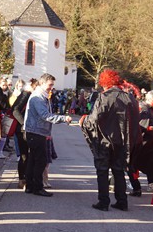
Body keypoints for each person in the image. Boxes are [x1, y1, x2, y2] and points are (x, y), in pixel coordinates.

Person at [80, 69, 139, 211]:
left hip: (104, 140)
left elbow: (94, 119)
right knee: (119, 171)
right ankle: (122, 201)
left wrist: (84, 120)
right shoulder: (129, 97)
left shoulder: (104, 97)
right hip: (122, 141)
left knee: (102, 170)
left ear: (104, 82)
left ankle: (103, 201)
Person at [24, 74, 72, 197]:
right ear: (42, 83)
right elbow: (45, 115)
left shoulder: (42, 96)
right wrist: (63, 118)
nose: (51, 87)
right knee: (40, 161)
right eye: (50, 85)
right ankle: (37, 187)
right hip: (36, 131)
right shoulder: (38, 97)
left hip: (37, 131)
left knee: (33, 160)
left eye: (52, 85)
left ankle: (30, 186)